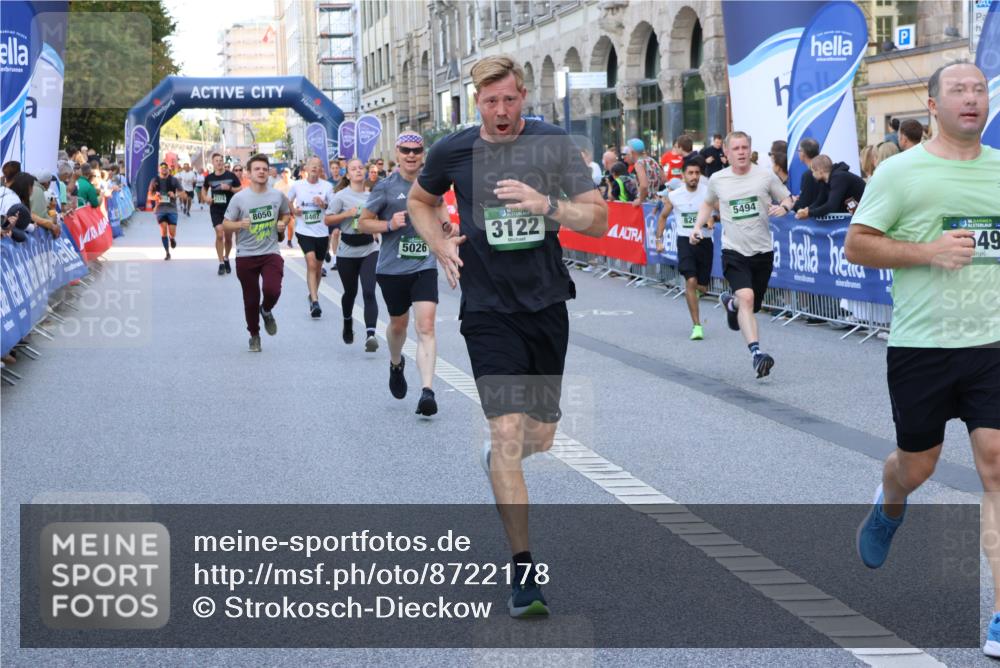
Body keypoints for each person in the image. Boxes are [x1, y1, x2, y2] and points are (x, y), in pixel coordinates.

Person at [408, 55, 608, 618]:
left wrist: (549, 206)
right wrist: (439, 243)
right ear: (477, 102)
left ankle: (503, 455)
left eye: (509, 100)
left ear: (524, 96)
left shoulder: (553, 145)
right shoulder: (455, 149)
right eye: (489, 101)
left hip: (545, 305)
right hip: (488, 308)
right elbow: (421, 201)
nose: (500, 111)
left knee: (537, 437)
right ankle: (523, 571)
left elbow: (599, 217)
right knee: (505, 432)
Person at [844, 61, 1000, 658]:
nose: (971, 98)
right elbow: (859, 243)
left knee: (995, 463)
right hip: (923, 346)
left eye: (979, 89)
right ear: (932, 105)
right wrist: (926, 251)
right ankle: (890, 502)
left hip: (991, 346)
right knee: (919, 464)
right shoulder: (901, 172)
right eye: (958, 90)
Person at [357, 132, 446, 417]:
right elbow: (362, 224)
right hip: (392, 269)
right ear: (397, 153)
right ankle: (396, 362)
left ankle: (427, 392)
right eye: (406, 150)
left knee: (427, 326)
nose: (411, 155)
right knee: (398, 326)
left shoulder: (432, 185)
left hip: (424, 266)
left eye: (416, 151)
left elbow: (442, 213)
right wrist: (388, 225)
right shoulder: (385, 187)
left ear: (423, 154)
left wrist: (447, 229)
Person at [693, 131, 794, 378]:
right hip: (733, 251)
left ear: (750, 150)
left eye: (744, 147)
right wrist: (697, 226)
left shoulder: (764, 175)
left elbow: (789, 198)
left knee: (751, 304)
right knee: (747, 298)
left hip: (762, 251)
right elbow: (707, 203)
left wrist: (784, 207)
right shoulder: (718, 179)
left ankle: (731, 303)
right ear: (726, 153)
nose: (741, 152)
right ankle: (757, 354)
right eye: (735, 148)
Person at [222, 154, 290, 353]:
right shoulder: (239, 198)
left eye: (264, 169)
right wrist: (238, 224)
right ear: (249, 174)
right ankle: (254, 335)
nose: (261, 172)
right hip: (246, 255)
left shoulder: (277, 196)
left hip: (270, 252)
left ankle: (266, 309)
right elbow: (225, 224)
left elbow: (286, 213)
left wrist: (283, 223)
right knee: (250, 299)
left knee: (272, 290)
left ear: (268, 172)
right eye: (257, 169)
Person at [655, 156, 712, 340]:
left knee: (702, 286)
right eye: (690, 173)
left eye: (697, 173)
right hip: (685, 241)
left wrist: (712, 219)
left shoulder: (708, 193)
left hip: (705, 242)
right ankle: (697, 326)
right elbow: (663, 217)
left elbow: (721, 211)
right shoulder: (675, 195)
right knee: (690, 281)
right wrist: (658, 239)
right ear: (683, 175)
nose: (694, 176)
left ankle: (696, 292)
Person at [327, 157, 379, 351]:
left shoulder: (372, 196)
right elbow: (328, 220)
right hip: (347, 251)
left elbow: (380, 216)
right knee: (350, 292)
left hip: (369, 248)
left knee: (368, 291)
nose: (358, 171)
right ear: (347, 175)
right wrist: (346, 214)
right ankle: (348, 321)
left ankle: (371, 335)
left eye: (360, 168)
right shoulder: (341, 196)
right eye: (353, 169)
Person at [287, 156, 335, 318]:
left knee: (318, 267)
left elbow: (333, 207)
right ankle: (315, 301)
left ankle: (313, 294)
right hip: (304, 230)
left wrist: (323, 205)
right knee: (311, 263)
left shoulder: (327, 186)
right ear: (306, 168)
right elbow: (287, 200)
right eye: (312, 165)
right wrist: (294, 211)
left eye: (318, 165)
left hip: (322, 232)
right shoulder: (298, 186)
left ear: (321, 169)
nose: (315, 168)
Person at [202, 154, 241, 275]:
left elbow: (240, 189)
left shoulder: (231, 175)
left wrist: (229, 188)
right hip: (216, 209)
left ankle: (226, 257)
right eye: (216, 161)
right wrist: (206, 198)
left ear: (223, 162)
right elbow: (204, 189)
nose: (219, 163)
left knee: (228, 238)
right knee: (219, 234)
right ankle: (220, 263)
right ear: (213, 163)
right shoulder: (209, 177)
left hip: (229, 209)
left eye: (220, 161)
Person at [794, 155, 866, 218]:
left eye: (813, 171)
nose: (812, 174)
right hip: (857, 212)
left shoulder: (839, 178)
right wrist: (807, 210)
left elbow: (831, 206)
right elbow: (820, 201)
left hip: (865, 210)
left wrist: (809, 213)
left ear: (820, 171)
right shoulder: (825, 181)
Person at [147, 162, 180, 260]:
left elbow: (182, 192)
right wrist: (155, 197)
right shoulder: (154, 181)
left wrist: (175, 195)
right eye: (162, 168)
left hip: (172, 209)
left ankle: (172, 238)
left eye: (165, 168)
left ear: (168, 169)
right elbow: (149, 196)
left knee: (172, 232)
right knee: (163, 229)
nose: (164, 169)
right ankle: (167, 252)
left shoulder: (174, 180)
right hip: (160, 209)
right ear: (159, 169)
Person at [791, 137, 826, 213]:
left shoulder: (809, 175)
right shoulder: (823, 170)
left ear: (803, 153)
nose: (798, 153)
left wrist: (792, 203)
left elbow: (803, 205)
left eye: (799, 150)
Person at [625, 137, 663, 204]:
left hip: (646, 202)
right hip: (657, 200)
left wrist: (640, 200)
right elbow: (664, 180)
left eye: (628, 153)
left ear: (632, 152)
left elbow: (644, 185)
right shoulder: (652, 160)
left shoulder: (639, 164)